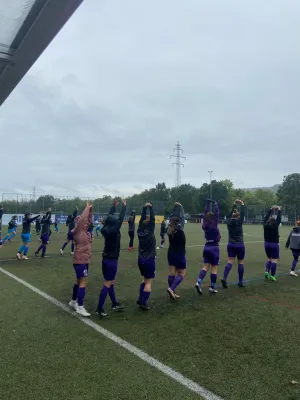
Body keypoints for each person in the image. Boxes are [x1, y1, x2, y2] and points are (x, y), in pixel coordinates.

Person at [96, 199, 126, 317]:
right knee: (108, 283)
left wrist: (113, 207)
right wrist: (124, 207)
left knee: (110, 282)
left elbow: (109, 217)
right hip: (112, 260)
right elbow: (120, 219)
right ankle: (99, 308)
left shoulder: (105, 229)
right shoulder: (114, 230)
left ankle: (114, 303)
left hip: (106, 259)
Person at [69, 201, 93, 317]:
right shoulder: (78, 231)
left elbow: (88, 221)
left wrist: (90, 211)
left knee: (79, 281)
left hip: (84, 259)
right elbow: (83, 220)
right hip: (80, 260)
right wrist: (86, 208)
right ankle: (80, 306)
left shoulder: (85, 231)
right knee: (83, 281)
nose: (85, 223)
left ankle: (73, 301)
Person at [195, 199, 220, 295]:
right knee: (214, 268)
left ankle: (198, 282)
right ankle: (212, 287)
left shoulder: (204, 225)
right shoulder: (214, 226)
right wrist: (216, 204)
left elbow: (205, 214)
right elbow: (217, 214)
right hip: (214, 248)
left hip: (206, 247)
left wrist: (207, 204)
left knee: (205, 267)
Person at [221, 199, 246, 288]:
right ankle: (240, 282)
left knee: (230, 261)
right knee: (241, 262)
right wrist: (242, 204)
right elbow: (243, 214)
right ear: (238, 216)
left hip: (231, 244)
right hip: (240, 245)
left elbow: (228, 215)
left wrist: (234, 205)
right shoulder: (240, 222)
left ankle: (224, 278)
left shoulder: (228, 222)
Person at [137, 203, 156, 310]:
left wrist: (144, 209)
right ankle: (144, 302)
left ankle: (140, 299)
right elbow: (152, 219)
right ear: (150, 225)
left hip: (140, 259)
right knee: (148, 282)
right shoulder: (150, 232)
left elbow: (141, 222)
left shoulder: (139, 232)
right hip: (149, 259)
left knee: (144, 280)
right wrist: (151, 208)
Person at [167, 203, 186, 300]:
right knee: (181, 274)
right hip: (180, 255)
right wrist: (180, 207)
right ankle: (171, 289)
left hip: (170, 254)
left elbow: (172, 218)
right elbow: (181, 218)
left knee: (171, 274)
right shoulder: (180, 230)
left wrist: (174, 208)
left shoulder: (169, 230)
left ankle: (172, 293)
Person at [264, 206, 281, 281]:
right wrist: (279, 210)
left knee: (269, 259)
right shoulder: (275, 225)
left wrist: (270, 209)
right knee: (274, 260)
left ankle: (267, 271)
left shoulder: (265, 225)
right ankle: (272, 276)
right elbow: (279, 218)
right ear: (274, 221)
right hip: (274, 244)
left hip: (267, 244)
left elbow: (265, 218)